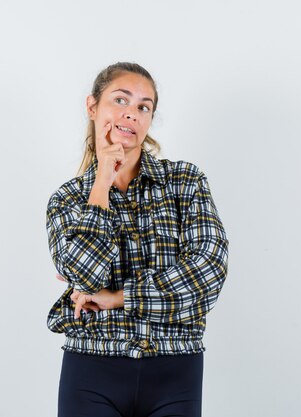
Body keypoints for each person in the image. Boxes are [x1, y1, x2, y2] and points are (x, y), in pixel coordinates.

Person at [45, 62, 229, 417]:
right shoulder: (66, 200)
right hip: (91, 367)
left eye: (144, 107)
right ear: (93, 106)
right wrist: (100, 184)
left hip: (176, 367)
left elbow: (207, 274)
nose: (132, 114)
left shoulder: (185, 182)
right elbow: (85, 278)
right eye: (120, 100)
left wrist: (117, 298)